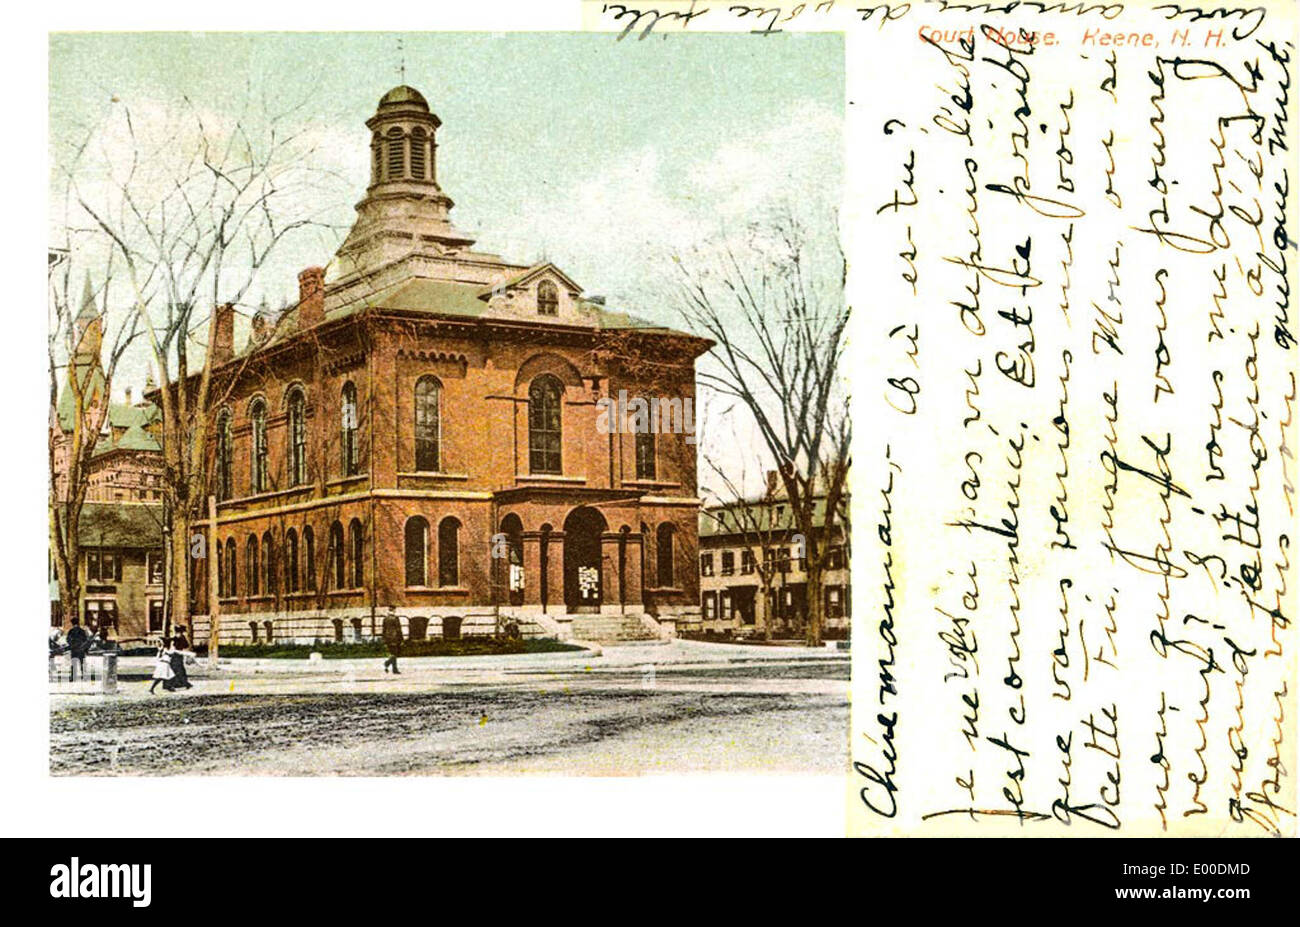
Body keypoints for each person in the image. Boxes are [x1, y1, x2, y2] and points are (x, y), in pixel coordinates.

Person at [382, 609, 402, 674]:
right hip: (394, 637)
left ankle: (394, 669)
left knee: (392, 653)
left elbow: (384, 629)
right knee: (395, 653)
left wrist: (384, 638)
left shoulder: (385, 619)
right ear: (394, 611)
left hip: (388, 637)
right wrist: (401, 638)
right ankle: (387, 663)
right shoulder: (396, 619)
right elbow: (398, 629)